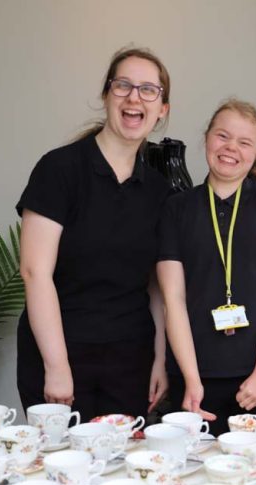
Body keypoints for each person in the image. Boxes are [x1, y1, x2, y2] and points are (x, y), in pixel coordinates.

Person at [16, 47, 171, 422]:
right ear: (106, 95)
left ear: (162, 108)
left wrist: (161, 359)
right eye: (124, 86)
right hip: (61, 355)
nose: (135, 97)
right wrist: (57, 366)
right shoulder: (59, 170)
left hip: (130, 361)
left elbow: (155, 285)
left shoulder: (158, 190)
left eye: (148, 90)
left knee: (122, 474)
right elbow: (34, 272)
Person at [157, 99, 256, 437]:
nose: (230, 148)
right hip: (194, 376)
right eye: (222, 136)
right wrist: (191, 378)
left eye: (244, 141)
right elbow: (171, 299)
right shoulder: (175, 208)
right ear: (207, 138)